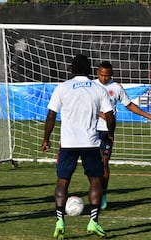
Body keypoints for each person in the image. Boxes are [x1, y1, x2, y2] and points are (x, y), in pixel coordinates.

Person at [41, 54, 115, 239]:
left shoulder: (63, 88)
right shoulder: (98, 89)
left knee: (62, 182)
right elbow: (110, 116)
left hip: (67, 144)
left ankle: (59, 221)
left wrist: (46, 139)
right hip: (90, 143)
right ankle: (93, 221)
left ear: (71, 69)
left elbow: (51, 116)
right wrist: (110, 133)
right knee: (96, 181)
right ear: (90, 70)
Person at [94, 61, 151, 210]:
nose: (103, 78)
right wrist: (102, 114)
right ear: (97, 73)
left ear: (111, 75)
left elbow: (129, 105)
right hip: (90, 130)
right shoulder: (91, 86)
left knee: (104, 162)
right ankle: (95, 191)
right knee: (93, 165)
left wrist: (148, 115)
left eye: (106, 76)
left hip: (107, 131)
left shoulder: (116, 88)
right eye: (101, 75)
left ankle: (103, 194)